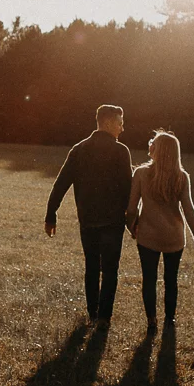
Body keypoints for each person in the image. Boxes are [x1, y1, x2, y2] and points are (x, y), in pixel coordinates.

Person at [45, 104, 135, 323]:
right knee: (110, 270)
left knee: (92, 267)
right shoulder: (120, 151)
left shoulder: (79, 149)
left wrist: (51, 214)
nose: (122, 128)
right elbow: (128, 189)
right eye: (120, 123)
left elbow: (61, 184)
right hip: (113, 222)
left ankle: (93, 313)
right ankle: (104, 318)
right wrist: (132, 219)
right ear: (108, 123)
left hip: (88, 220)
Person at [124, 130, 194, 327]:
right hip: (174, 237)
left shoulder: (141, 173)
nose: (150, 145)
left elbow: (131, 208)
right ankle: (170, 319)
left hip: (148, 236)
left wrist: (131, 228)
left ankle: (151, 319)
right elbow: (189, 209)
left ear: (158, 149)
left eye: (153, 143)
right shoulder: (182, 177)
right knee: (171, 280)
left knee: (149, 279)